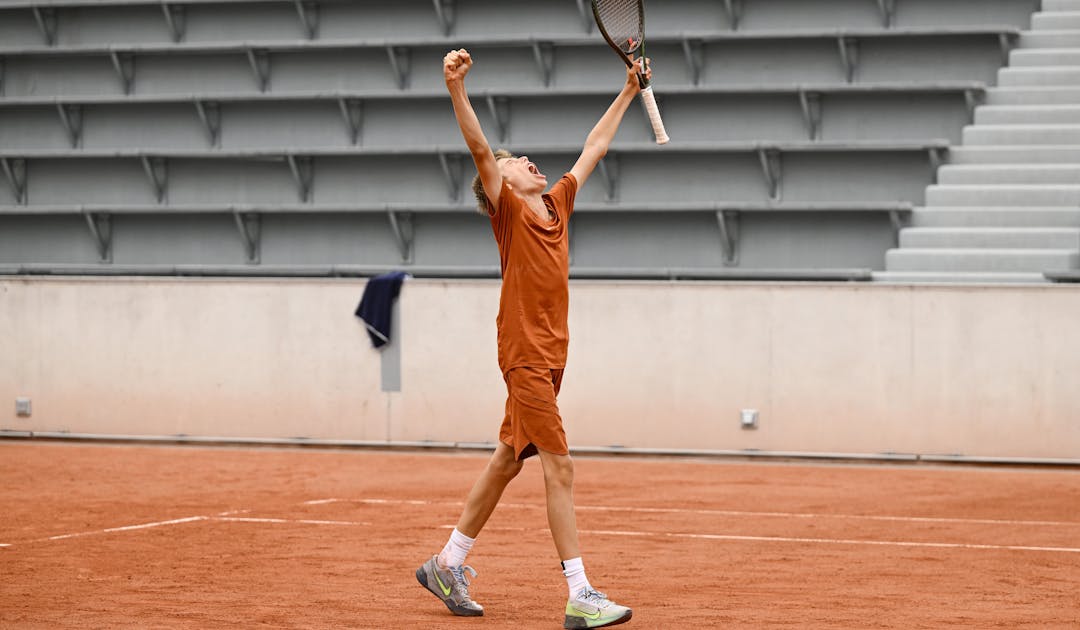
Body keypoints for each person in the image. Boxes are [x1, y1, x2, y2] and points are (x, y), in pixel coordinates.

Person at [415, 47, 648, 629]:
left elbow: (593, 146)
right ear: (499, 182)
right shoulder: (508, 212)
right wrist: (456, 89)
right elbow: (478, 149)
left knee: (506, 459)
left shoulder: (556, 202)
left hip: (551, 354)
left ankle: (447, 563)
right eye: (516, 161)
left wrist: (626, 91)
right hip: (523, 353)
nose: (528, 161)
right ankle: (580, 592)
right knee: (559, 466)